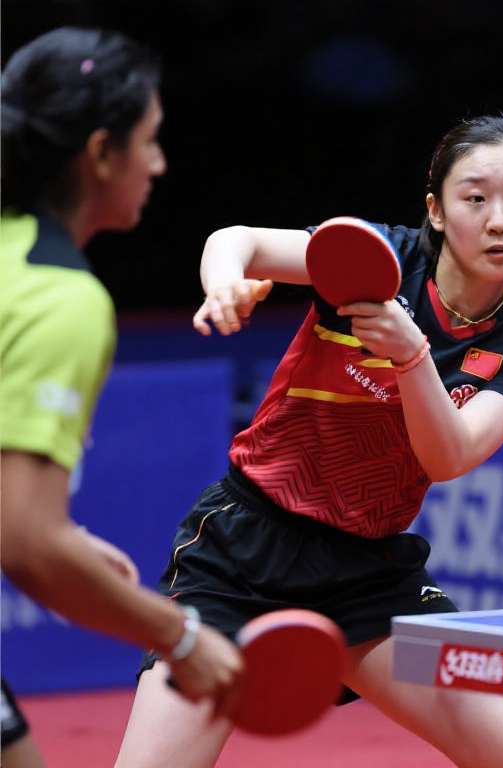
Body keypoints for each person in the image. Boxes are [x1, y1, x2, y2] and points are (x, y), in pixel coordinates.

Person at [114, 113, 503, 768]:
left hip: (368, 572)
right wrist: (225, 283)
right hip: (243, 552)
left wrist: (411, 357)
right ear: (437, 211)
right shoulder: (375, 261)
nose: (499, 220)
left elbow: (448, 456)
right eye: (475, 198)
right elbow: (238, 240)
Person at [0, 26, 245, 768]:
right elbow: (25, 543)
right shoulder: (61, 301)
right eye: (150, 140)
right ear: (102, 153)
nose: (159, 163)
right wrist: (181, 636)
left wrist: (61, 540)